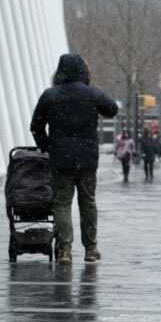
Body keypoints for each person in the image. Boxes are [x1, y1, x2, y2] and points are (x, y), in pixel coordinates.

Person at [31, 53, 118, 264]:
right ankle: (91, 248)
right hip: (87, 158)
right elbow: (112, 110)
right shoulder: (93, 94)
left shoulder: (50, 95)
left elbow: (35, 126)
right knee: (87, 202)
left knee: (61, 203)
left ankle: (65, 250)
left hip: (61, 157)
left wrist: (47, 146)